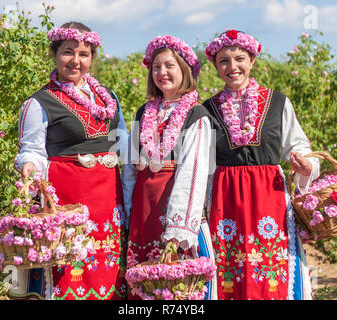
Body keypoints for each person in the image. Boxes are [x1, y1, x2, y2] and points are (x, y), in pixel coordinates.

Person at [12, 22, 128, 300]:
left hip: (109, 202)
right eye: (68, 52)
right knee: (69, 277)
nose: (76, 61)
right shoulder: (40, 102)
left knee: (108, 273)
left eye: (84, 54)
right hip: (68, 203)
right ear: (55, 54)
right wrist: (28, 166)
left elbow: (123, 143)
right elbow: (32, 151)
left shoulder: (108, 98)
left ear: (92, 58)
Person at [202, 29, 320, 300]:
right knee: (229, 271)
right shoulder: (205, 110)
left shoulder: (278, 102)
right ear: (215, 66)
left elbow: (298, 144)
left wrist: (305, 165)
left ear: (252, 60)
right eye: (224, 61)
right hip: (225, 199)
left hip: (270, 197)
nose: (233, 67)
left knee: (273, 270)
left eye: (240, 59)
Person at [121, 35, 217, 299]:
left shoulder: (196, 115)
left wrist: (178, 228)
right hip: (144, 207)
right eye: (156, 67)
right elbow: (130, 167)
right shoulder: (144, 112)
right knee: (145, 281)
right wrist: (129, 211)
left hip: (172, 207)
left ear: (184, 70)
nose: (162, 72)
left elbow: (193, 171)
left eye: (169, 66)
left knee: (174, 284)